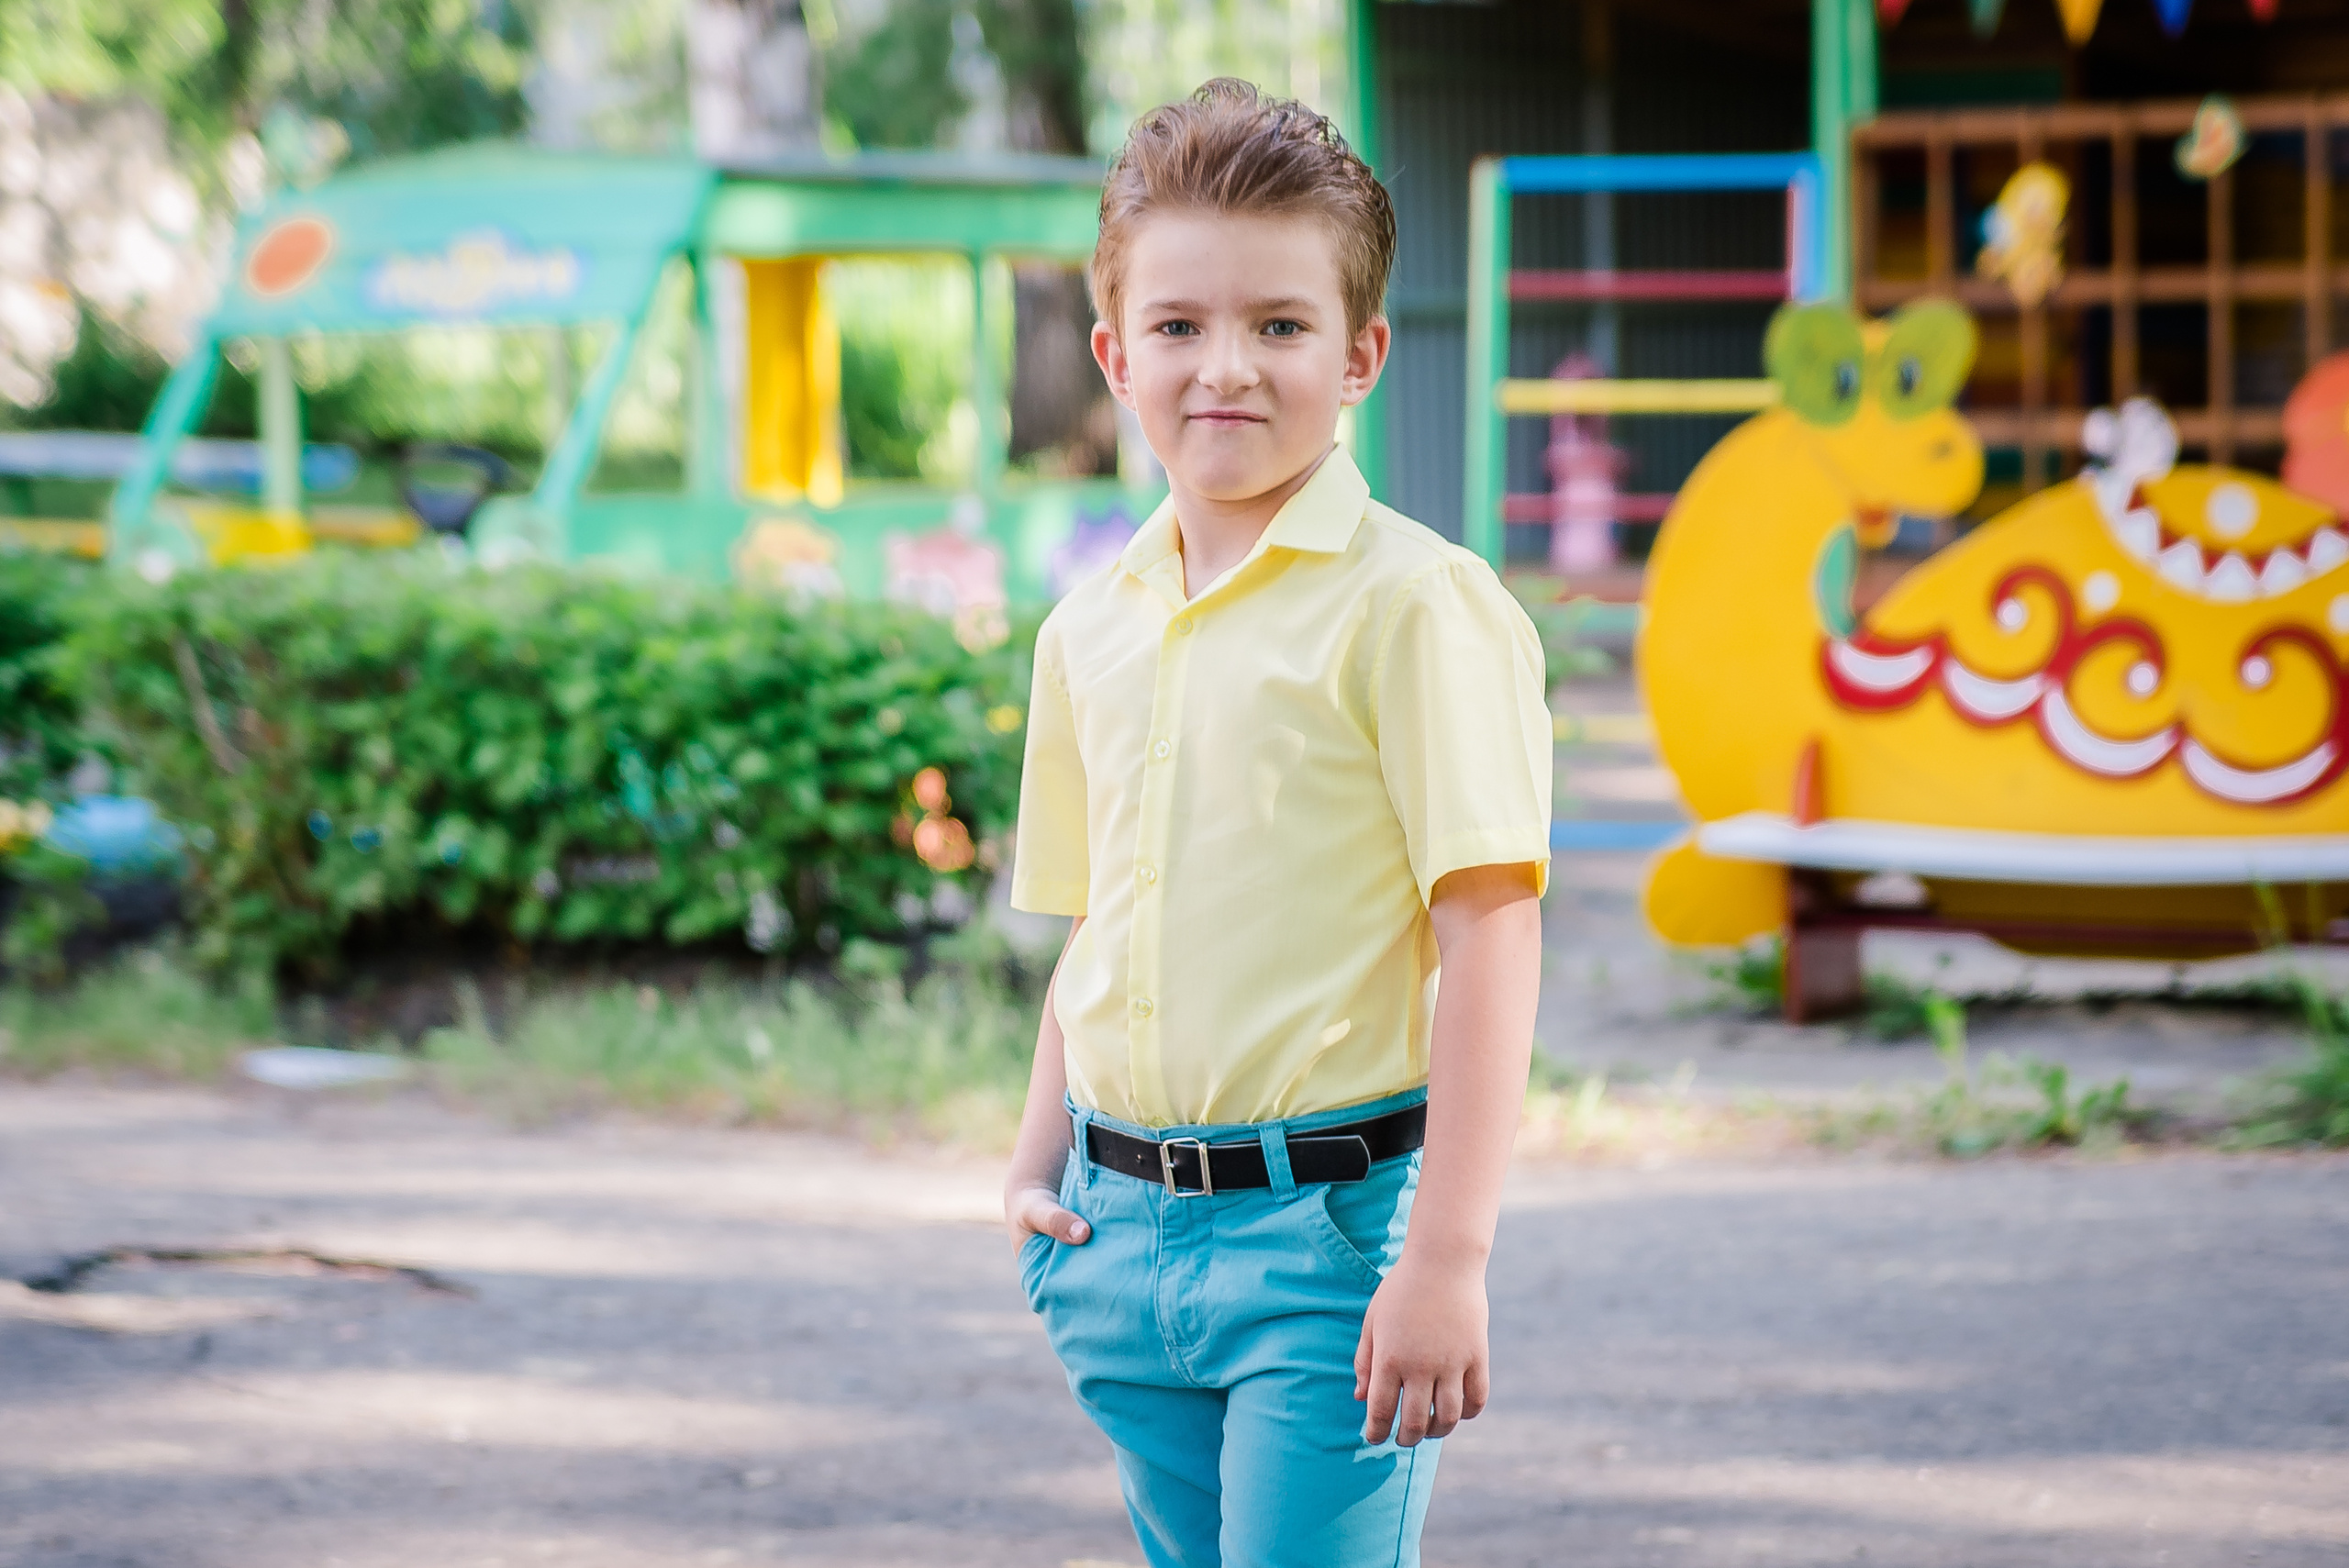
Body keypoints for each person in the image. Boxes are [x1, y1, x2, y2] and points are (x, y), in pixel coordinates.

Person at [1003, 78, 1553, 1568]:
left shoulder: (1418, 608)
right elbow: (1093, 918)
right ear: (1114, 354)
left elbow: (1493, 930)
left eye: (1281, 325)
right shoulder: (1089, 630)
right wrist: (1034, 1165)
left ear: (1363, 352)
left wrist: (1447, 1253)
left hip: (1326, 1248)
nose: (1224, 367)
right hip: (1111, 1240)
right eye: (1179, 327)